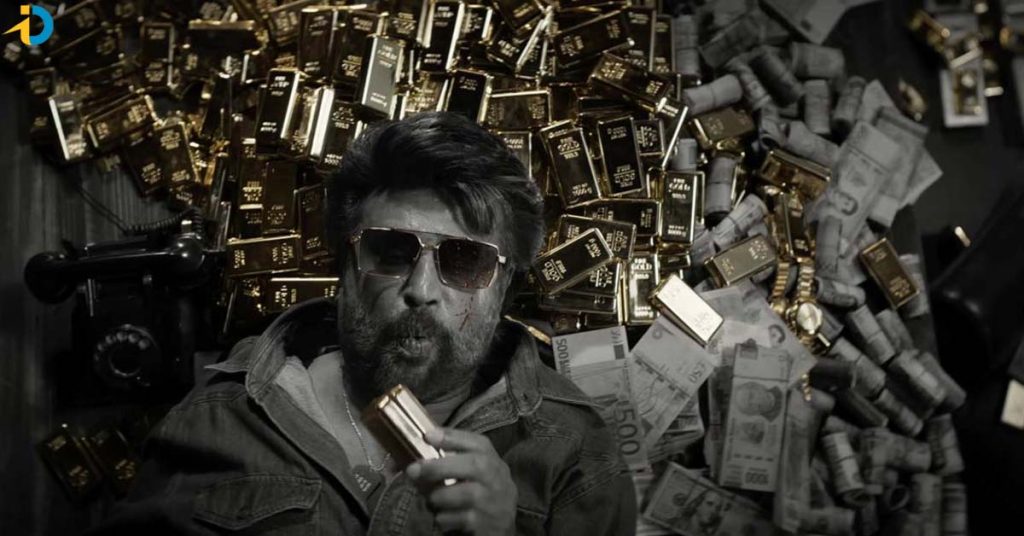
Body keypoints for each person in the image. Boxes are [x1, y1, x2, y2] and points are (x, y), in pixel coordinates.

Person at [88, 112, 637, 535]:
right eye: (391, 251)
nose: (421, 290)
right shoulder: (221, 418)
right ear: (345, 268)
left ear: (505, 287)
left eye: (466, 260)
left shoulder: (575, 453)